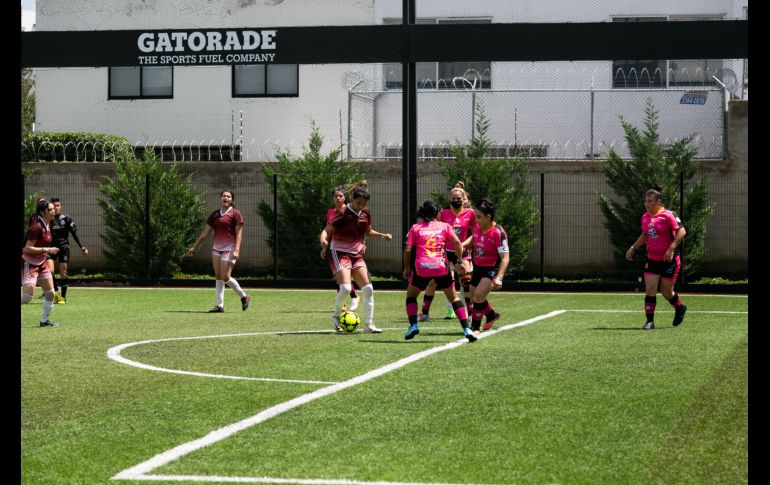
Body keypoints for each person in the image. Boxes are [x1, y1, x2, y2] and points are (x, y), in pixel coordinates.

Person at [320, 185, 392, 334]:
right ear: (352, 198)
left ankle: (368, 325)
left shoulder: (365, 213)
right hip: (339, 253)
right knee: (346, 288)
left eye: (364, 204)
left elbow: (368, 231)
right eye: (359, 203)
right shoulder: (341, 213)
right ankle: (335, 317)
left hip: (356, 255)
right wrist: (323, 242)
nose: (361, 206)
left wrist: (382, 235)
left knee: (368, 289)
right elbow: (326, 231)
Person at [402, 200, 477, 342]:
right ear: (437, 213)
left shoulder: (415, 228)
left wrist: (406, 268)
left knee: (411, 295)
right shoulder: (445, 226)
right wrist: (460, 260)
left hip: (422, 268)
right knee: (454, 297)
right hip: (441, 266)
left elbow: (408, 250)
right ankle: (467, 329)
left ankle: (413, 325)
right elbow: (457, 243)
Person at [626, 186, 687, 330]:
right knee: (651, 289)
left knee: (666, 292)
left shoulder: (668, 215)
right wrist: (633, 247)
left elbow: (682, 232)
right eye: (645, 201)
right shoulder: (645, 217)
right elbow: (645, 235)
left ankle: (680, 308)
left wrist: (671, 248)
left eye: (650, 201)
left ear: (658, 202)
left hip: (669, 260)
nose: (647, 204)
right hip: (652, 259)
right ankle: (649, 322)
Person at [417, 182, 476, 322]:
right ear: (450, 199)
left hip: (462, 252)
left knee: (466, 282)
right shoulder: (443, 213)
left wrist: (463, 245)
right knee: (432, 282)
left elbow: (474, 234)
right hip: (444, 253)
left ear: (464, 199)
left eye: (459, 198)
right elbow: (435, 229)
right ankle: (425, 313)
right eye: (454, 198)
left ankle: (471, 314)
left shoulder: (470, 213)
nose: (456, 201)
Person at [187, 189, 250, 312]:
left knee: (226, 276)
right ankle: (219, 306)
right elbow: (204, 234)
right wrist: (194, 247)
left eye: (228, 196)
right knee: (218, 276)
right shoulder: (214, 215)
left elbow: (239, 234)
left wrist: (237, 249)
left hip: (230, 249)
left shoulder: (235, 214)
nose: (226, 198)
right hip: (217, 249)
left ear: (232, 200)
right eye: (224, 196)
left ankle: (244, 296)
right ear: (220, 198)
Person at [467, 198, 509, 335]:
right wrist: (461, 245)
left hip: (492, 268)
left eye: (479, 217)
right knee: (473, 297)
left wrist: (499, 277)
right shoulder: (479, 227)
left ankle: (475, 328)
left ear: (488, 216)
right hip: (478, 266)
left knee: (479, 295)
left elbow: (505, 257)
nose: (476, 220)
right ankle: (491, 315)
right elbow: (473, 238)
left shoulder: (498, 233)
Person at [21, 199, 61, 327]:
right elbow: (26, 249)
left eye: (53, 208)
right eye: (50, 209)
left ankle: (44, 321)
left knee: (50, 293)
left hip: (41, 263)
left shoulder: (48, 224)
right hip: (29, 263)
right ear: (43, 212)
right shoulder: (36, 227)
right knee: (27, 298)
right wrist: (47, 249)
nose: (53, 211)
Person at [321, 185, 361, 312]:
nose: (338, 198)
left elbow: (360, 229)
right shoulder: (331, 212)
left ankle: (354, 296)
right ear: (332, 198)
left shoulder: (350, 211)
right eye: (335, 196)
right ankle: (346, 301)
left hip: (349, 247)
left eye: (340, 196)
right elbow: (328, 231)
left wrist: (363, 243)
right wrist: (324, 247)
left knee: (343, 277)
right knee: (339, 277)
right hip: (334, 247)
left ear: (345, 198)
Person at [48, 197, 88, 304]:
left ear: (60, 206)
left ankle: (63, 297)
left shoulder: (66, 218)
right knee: (50, 271)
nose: (56, 208)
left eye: (58, 206)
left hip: (63, 248)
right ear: (50, 208)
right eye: (54, 206)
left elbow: (74, 234)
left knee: (63, 272)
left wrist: (81, 247)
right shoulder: (47, 219)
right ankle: (56, 293)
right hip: (50, 249)